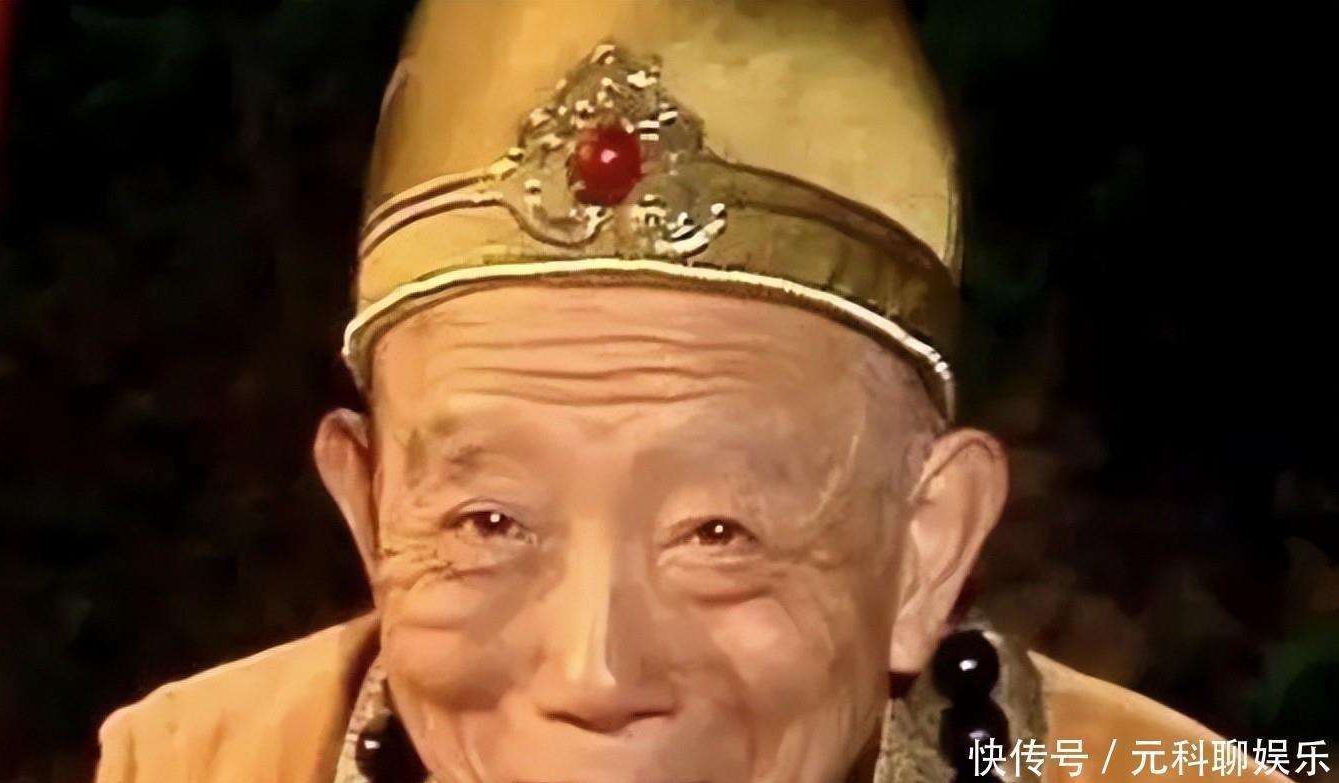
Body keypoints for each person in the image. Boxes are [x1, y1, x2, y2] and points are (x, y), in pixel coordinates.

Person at [94, 2, 1291, 781]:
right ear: (369, 514)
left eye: (719, 534)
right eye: (488, 522)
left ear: (925, 546)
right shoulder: (200, 764)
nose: (594, 677)